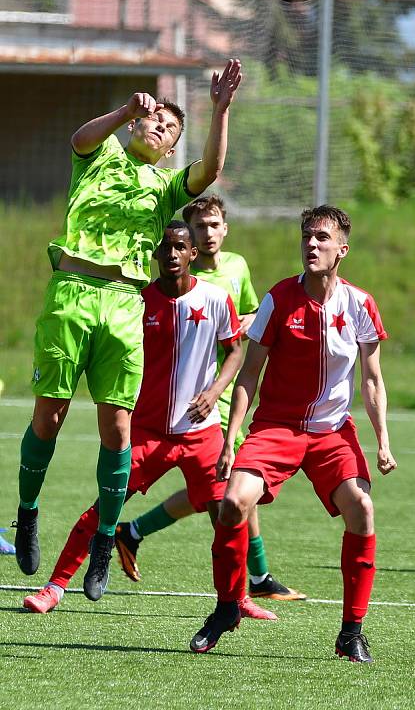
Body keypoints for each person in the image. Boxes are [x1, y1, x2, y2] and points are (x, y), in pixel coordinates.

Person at [13, 59, 242, 603]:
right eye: (156, 119)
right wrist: (123, 111)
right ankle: (27, 515)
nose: (159, 127)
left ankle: (103, 544)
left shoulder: (165, 188)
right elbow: (81, 137)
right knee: (49, 416)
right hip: (71, 294)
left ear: (168, 150)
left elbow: (207, 172)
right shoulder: (102, 156)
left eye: (169, 129)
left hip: (123, 303)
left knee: (117, 430)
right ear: (137, 125)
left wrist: (220, 109)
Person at [23, 222, 275, 621]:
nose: (172, 255)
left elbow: (234, 351)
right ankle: (55, 586)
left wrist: (213, 392)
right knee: (105, 505)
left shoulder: (215, 299)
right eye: (165, 249)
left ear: (193, 253)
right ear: (155, 256)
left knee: (227, 513)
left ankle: (238, 598)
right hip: (146, 431)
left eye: (179, 248)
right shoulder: (136, 303)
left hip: (200, 435)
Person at [189, 204, 397, 662]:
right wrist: (233, 435)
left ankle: (351, 632)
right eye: (306, 236)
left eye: (322, 238)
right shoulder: (278, 299)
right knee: (232, 502)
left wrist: (382, 439)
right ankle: (227, 606)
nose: (311, 245)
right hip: (277, 428)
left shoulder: (360, 303)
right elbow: (249, 373)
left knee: (362, 507)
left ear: (342, 249)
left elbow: (372, 378)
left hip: (331, 434)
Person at [115, 195, 305, 601]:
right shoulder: (179, 276)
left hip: (225, 388)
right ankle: (254, 580)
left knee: (222, 491)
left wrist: (250, 326)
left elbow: (253, 314)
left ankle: (134, 531)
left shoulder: (236, 267)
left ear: (224, 229)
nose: (208, 232)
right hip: (195, 401)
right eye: (199, 227)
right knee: (227, 490)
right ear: (190, 240)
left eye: (214, 224)